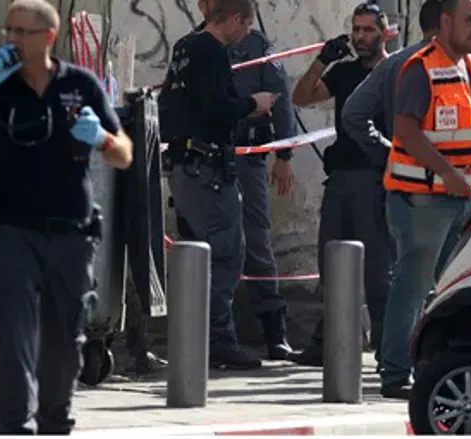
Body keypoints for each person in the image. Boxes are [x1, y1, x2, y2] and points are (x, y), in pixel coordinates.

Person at [0, 0, 133, 433]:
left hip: (72, 230)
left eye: (22, 32)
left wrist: (100, 138)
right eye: (8, 30)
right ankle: (11, 424)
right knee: (11, 328)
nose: (11, 39)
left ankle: (54, 420)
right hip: (15, 228)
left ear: (48, 38)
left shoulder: (80, 85)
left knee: (64, 338)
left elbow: (124, 154)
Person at [379, 0, 471, 399]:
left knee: (446, 289)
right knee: (412, 285)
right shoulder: (420, 67)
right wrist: (448, 173)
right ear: (445, 22)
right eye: (469, 20)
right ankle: (395, 372)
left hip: (461, 198)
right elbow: (406, 131)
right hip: (422, 198)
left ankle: (431, 363)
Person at [163, 0, 277, 370]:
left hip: (186, 165)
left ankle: (191, 336)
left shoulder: (185, 46)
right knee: (226, 253)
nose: (246, 35)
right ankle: (216, 339)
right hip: (206, 169)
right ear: (235, 19)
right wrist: (252, 105)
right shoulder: (211, 51)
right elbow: (216, 107)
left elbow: (177, 103)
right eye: (245, 27)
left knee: (196, 255)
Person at [288, 2, 391, 368]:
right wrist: (322, 60)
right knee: (330, 263)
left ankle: (386, 348)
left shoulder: (395, 71)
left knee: (378, 270)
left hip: (376, 178)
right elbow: (301, 97)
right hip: (341, 178)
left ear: (385, 32)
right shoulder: (345, 72)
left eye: (369, 30)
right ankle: (326, 341)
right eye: (356, 30)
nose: (361, 37)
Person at [342, 0, 471, 183]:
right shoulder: (470, 66)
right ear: (447, 24)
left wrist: (388, 154)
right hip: (455, 188)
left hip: (407, 187)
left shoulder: (393, 64)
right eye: (469, 21)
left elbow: (352, 114)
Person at [228, 8, 296, 360]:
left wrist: (284, 155)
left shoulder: (258, 47)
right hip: (206, 158)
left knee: (256, 242)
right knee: (204, 247)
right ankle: (212, 333)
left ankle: (274, 331)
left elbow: (280, 98)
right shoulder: (194, 46)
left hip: (248, 158)